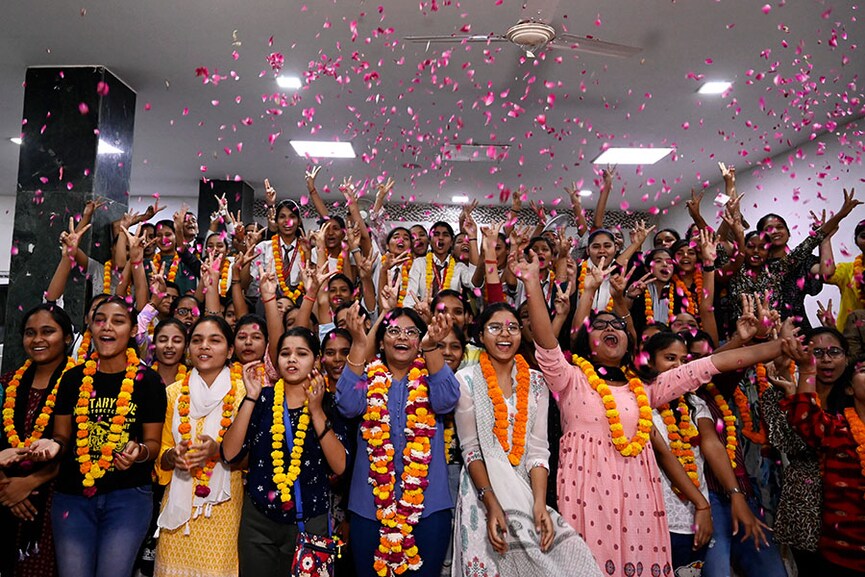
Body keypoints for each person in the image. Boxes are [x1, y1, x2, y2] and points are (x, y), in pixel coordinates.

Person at [515, 249, 796, 576]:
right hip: (586, 494)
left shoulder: (645, 389)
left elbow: (708, 366)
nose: (612, 328)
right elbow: (547, 345)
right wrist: (532, 283)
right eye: (601, 324)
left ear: (627, 342)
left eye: (618, 325)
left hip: (639, 497)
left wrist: (777, 347)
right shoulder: (571, 379)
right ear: (586, 342)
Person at [452, 303, 602, 576]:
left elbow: (537, 450)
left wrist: (538, 503)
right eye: (495, 328)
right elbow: (471, 449)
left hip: (526, 491)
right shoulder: (466, 381)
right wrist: (492, 503)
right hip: (481, 494)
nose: (504, 335)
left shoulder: (536, 382)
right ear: (481, 335)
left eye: (512, 328)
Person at [28, 296, 167, 577]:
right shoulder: (72, 379)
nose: (107, 327)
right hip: (73, 497)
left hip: (128, 498)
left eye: (118, 321)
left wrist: (138, 451)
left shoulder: (148, 381)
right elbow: (62, 436)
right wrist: (52, 445)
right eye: (100, 320)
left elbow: (153, 444)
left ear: (131, 331)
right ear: (91, 327)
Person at [336, 301, 459, 577]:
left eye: (412, 332)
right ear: (381, 342)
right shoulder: (366, 378)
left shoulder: (432, 375)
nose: (403, 336)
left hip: (428, 509)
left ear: (420, 341)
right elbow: (347, 404)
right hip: (370, 508)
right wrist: (358, 344)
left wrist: (432, 348)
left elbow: (447, 401)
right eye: (394, 331)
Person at [222, 327, 348, 575]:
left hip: (310, 519)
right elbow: (229, 454)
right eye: (285, 353)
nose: (291, 359)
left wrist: (316, 411)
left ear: (316, 359)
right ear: (276, 360)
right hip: (259, 519)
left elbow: (340, 466)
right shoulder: (263, 399)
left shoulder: (328, 402)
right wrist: (250, 397)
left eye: (301, 353)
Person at [153, 316, 246, 577]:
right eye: (197, 340)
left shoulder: (244, 394)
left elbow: (252, 459)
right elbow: (161, 453)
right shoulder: (172, 393)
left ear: (229, 351)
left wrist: (219, 452)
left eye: (214, 340)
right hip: (177, 507)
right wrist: (173, 456)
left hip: (224, 510)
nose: (204, 347)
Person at [0, 304, 76, 577]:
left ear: (68, 337)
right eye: (30, 333)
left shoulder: (83, 385)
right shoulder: (7, 383)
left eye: (48, 331)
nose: (38, 340)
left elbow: (76, 450)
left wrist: (28, 483)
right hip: (5, 497)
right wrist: (6, 487)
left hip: (57, 503)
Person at [782, 344, 865, 575]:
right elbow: (804, 415)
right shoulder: (835, 428)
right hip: (842, 557)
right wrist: (807, 370)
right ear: (849, 389)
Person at [152, 318, 189, 387]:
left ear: (185, 347)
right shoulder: (142, 379)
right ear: (154, 345)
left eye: (177, 341)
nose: (169, 345)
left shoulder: (192, 382)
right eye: (163, 340)